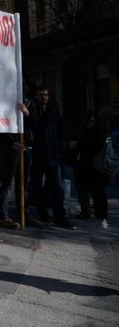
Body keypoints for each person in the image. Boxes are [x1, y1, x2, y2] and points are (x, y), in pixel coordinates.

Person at [24, 87, 75, 229]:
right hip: (38, 155)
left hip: (53, 155)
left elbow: (59, 130)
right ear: (35, 96)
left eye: (46, 95)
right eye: (40, 95)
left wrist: (60, 149)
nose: (44, 98)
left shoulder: (53, 110)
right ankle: (44, 215)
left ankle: (60, 216)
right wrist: (28, 114)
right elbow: (34, 128)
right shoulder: (32, 109)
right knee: (37, 186)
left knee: (57, 186)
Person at [69, 111, 110, 228]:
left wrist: (77, 145)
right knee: (91, 191)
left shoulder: (100, 132)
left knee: (98, 193)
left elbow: (92, 145)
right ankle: (92, 213)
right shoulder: (87, 130)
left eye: (91, 121)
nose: (89, 124)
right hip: (87, 166)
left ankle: (101, 217)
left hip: (97, 167)